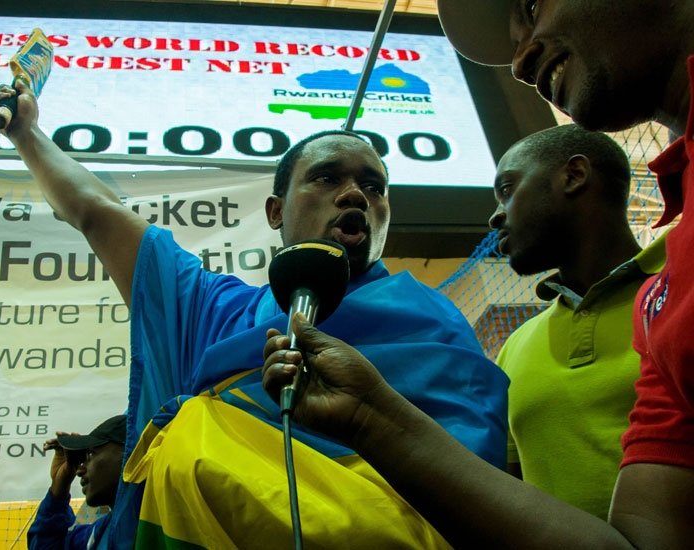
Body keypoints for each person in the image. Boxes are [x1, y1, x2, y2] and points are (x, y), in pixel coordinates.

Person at [0, 79, 509, 549]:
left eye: (374, 187)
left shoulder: (434, 322)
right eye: (326, 178)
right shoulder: (214, 309)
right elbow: (97, 211)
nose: (355, 194)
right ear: (275, 211)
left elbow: (474, 493)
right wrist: (28, 136)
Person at [263, 2, 694, 548]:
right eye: (324, 178)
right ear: (276, 210)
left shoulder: (663, 283)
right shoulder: (645, 307)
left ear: (575, 176)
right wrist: (372, 418)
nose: (518, 60)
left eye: (531, 6)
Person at [491, 123, 666, 519]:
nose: (495, 216)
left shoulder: (680, 290)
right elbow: (512, 494)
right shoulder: (514, 347)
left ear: (574, 175)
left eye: (507, 189)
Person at [27, 414, 127, 550]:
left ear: (128, 454)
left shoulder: (158, 520)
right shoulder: (101, 532)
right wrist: (59, 489)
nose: (79, 470)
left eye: (91, 454)